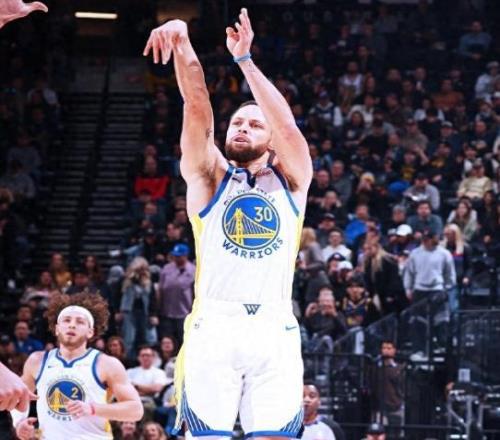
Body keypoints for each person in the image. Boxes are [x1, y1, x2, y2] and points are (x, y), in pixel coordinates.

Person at [143, 7, 312, 438]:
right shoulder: (209, 175)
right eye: (237, 122)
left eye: (255, 125)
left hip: (274, 326)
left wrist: (245, 61)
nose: (242, 128)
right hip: (214, 324)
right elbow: (197, 106)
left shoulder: (292, 180)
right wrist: (183, 43)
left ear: (270, 142)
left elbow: (287, 126)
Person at [11, 292, 143, 440]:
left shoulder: (106, 364)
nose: (72, 325)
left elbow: (135, 410)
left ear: (90, 332)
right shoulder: (37, 360)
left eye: (80, 322)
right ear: (57, 329)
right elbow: (18, 397)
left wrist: (92, 408)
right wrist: (19, 422)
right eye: (66, 320)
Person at [370, 341, 404, 428]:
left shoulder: (399, 368)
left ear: (394, 350)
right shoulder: (376, 368)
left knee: (396, 431)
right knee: (379, 430)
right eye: (384, 348)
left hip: (396, 406)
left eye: (389, 348)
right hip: (379, 407)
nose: (386, 351)